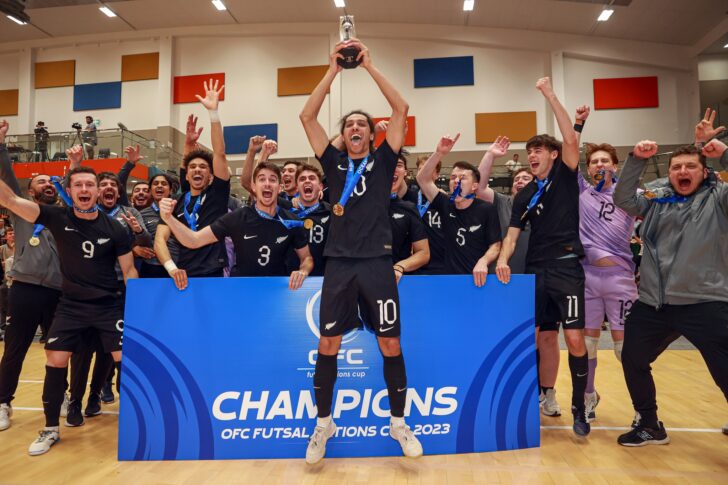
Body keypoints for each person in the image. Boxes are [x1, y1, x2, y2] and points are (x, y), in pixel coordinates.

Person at [299, 38, 422, 463]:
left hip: (378, 264)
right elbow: (306, 115)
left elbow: (402, 108)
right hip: (339, 265)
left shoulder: (385, 161)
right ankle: (323, 424)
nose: (355, 129)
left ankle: (399, 423)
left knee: (391, 345)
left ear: (372, 134)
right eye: (349, 125)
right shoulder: (332, 163)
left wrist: (369, 65)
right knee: (328, 345)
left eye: (362, 125)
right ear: (343, 134)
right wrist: (333, 68)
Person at [0, 144, 137, 455]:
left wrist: (137, 310)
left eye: (91, 184)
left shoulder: (115, 228)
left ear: (99, 192)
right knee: (55, 359)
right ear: (70, 190)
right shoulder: (55, 216)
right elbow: (8, 199)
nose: (86, 189)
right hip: (71, 306)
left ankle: (140, 423)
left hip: (107, 305)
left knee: (126, 362)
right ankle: (50, 429)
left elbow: (129, 271)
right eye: (79, 185)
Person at [613, 128, 728, 446]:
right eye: (676, 166)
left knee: (724, 371)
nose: (682, 171)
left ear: (704, 172)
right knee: (632, 357)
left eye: (690, 166)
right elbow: (622, 199)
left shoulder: (719, 198)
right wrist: (636, 159)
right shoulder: (658, 197)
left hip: (705, 301)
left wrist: (724, 154)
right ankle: (648, 423)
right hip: (655, 303)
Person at [496, 77, 591, 437]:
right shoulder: (524, 195)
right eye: (529, 151)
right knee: (535, 337)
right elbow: (512, 235)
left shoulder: (566, 177)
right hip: (535, 271)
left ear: (552, 155)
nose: (532, 155)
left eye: (539, 150)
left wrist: (549, 94)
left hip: (567, 268)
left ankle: (580, 406)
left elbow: (570, 139)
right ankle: (532, 397)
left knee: (576, 340)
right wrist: (504, 259)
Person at [568, 106, 638, 423]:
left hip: (620, 279)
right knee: (588, 345)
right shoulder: (582, 190)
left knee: (627, 351)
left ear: (615, 166)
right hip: (587, 278)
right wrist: (579, 123)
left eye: (604, 160)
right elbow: (569, 149)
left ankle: (642, 407)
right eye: (594, 161)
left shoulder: (630, 194)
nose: (599, 164)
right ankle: (588, 396)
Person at [0, 120, 63, 433]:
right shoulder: (23, 212)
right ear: (30, 191)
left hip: (57, 293)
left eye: (51, 181)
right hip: (25, 290)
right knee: (15, 349)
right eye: (41, 181)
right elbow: (7, 181)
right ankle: (3, 403)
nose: (47, 184)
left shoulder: (63, 216)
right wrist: (0, 145)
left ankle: (59, 398)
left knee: (58, 350)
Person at [159, 161, 313, 285]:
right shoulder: (237, 217)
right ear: (253, 187)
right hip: (241, 288)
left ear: (279, 188)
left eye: (272, 180)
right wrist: (169, 218)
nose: (267, 184)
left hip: (278, 288)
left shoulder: (292, 221)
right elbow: (194, 240)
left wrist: (303, 271)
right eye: (261, 179)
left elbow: (306, 258)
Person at [155, 80, 231, 290]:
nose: (197, 170)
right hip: (184, 276)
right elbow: (160, 240)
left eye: (203, 167)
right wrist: (172, 268)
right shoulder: (176, 202)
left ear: (211, 175)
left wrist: (213, 114)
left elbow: (219, 153)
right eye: (193, 167)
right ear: (186, 176)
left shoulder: (217, 195)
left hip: (215, 274)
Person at [416, 136, 502, 286]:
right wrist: (439, 153)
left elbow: (495, 246)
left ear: (475, 186)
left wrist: (484, 261)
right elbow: (422, 179)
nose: (456, 180)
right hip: (450, 281)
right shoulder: (445, 204)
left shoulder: (486, 209)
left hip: (478, 281)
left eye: (463, 178)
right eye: (453, 177)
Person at [402, 154, 446, 274]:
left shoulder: (444, 201)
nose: (423, 173)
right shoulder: (409, 197)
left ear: (437, 175)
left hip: (440, 266)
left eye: (428, 169)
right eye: (421, 169)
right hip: (413, 265)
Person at [287, 163, 331, 276]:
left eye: (312, 178)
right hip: (291, 279)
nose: (307, 181)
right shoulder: (287, 214)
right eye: (302, 179)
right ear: (297, 187)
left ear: (320, 186)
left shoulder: (331, 213)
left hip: (322, 280)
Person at [138, 173, 177, 278]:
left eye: (164, 184)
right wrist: (134, 248)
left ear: (171, 190)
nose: (159, 186)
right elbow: (133, 239)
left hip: (178, 266)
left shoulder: (179, 211)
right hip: (151, 267)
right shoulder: (142, 214)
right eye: (155, 183)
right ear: (150, 191)